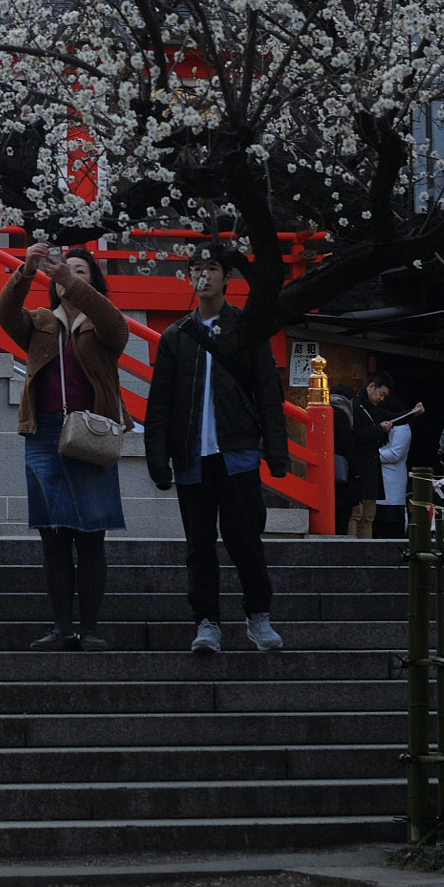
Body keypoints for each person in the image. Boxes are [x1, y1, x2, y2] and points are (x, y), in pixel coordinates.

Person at [144, 244, 289, 655]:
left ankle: (258, 616)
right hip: (191, 456)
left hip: (237, 452)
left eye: (212, 268)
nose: (203, 275)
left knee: (245, 538)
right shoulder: (175, 337)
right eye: (196, 268)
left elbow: (267, 394)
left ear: (227, 278)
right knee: (199, 544)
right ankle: (206, 622)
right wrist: (158, 460)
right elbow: (160, 403)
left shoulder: (248, 330)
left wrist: (276, 453)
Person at [0, 243, 131, 652]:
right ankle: (61, 629)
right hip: (45, 432)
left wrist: (73, 285)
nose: (66, 274)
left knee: (91, 535)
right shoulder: (39, 323)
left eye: (80, 271)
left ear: (92, 283)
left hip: (90, 432)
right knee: (53, 536)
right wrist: (26, 269)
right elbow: (4, 314)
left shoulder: (101, 324)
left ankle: (89, 628)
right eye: (60, 270)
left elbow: (117, 326)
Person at [348, 375, 392, 539]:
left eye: (384, 396)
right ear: (371, 386)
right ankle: (353, 550)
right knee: (356, 515)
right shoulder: (356, 406)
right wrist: (378, 430)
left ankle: (366, 550)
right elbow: (356, 436)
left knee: (368, 517)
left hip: (371, 468)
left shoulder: (376, 411)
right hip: (358, 467)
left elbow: (393, 416)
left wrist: (413, 412)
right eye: (381, 393)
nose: (381, 398)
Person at [376, 406, 420, 539]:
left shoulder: (402, 428)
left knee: (391, 524)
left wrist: (371, 455)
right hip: (379, 481)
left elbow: (396, 454)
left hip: (392, 482)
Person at [330, 385, 357, 536]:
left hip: (328, 467)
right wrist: (356, 469)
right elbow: (347, 444)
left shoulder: (328, 410)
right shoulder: (341, 414)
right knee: (342, 514)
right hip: (341, 469)